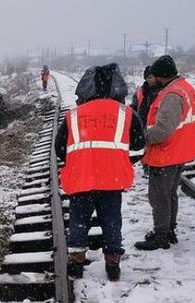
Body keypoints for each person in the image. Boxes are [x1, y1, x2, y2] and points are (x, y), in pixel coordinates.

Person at [55, 63, 145, 281]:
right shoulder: (127, 114)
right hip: (112, 181)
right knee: (112, 221)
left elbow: (60, 149)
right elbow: (140, 148)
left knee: (79, 221)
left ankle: (76, 264)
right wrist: (119, 162)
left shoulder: (74, 115)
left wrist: (81, 161)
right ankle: (113, 265)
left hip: (81, 178)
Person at [134, 55, 195, 250]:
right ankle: (169, 230)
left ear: (161, 76)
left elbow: (162, 130)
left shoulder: (172, 94)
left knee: (159, 196)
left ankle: (161, 235)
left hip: (166, 153)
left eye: (153, 75)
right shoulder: (184, 88)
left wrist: (143, 137)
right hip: (178, 151)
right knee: (169, 194)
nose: (150, 78)